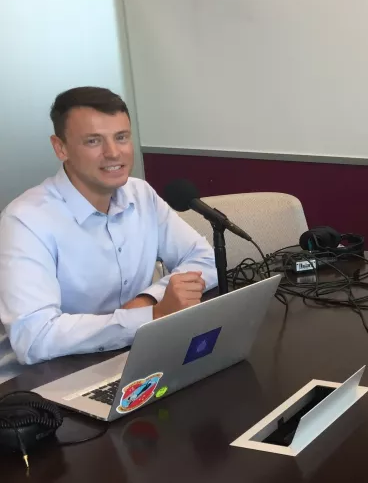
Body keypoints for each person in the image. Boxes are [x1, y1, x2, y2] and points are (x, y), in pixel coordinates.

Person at [0, 87, 217, 383]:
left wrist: (146, 300)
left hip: (127, 357)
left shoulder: (140, 194)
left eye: (121, 137)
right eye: (93, 141)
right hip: (43, 381)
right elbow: (34, 337)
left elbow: (205, 258)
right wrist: (150, 316)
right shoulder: (25, 220)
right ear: (60, 148)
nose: (113, 153)